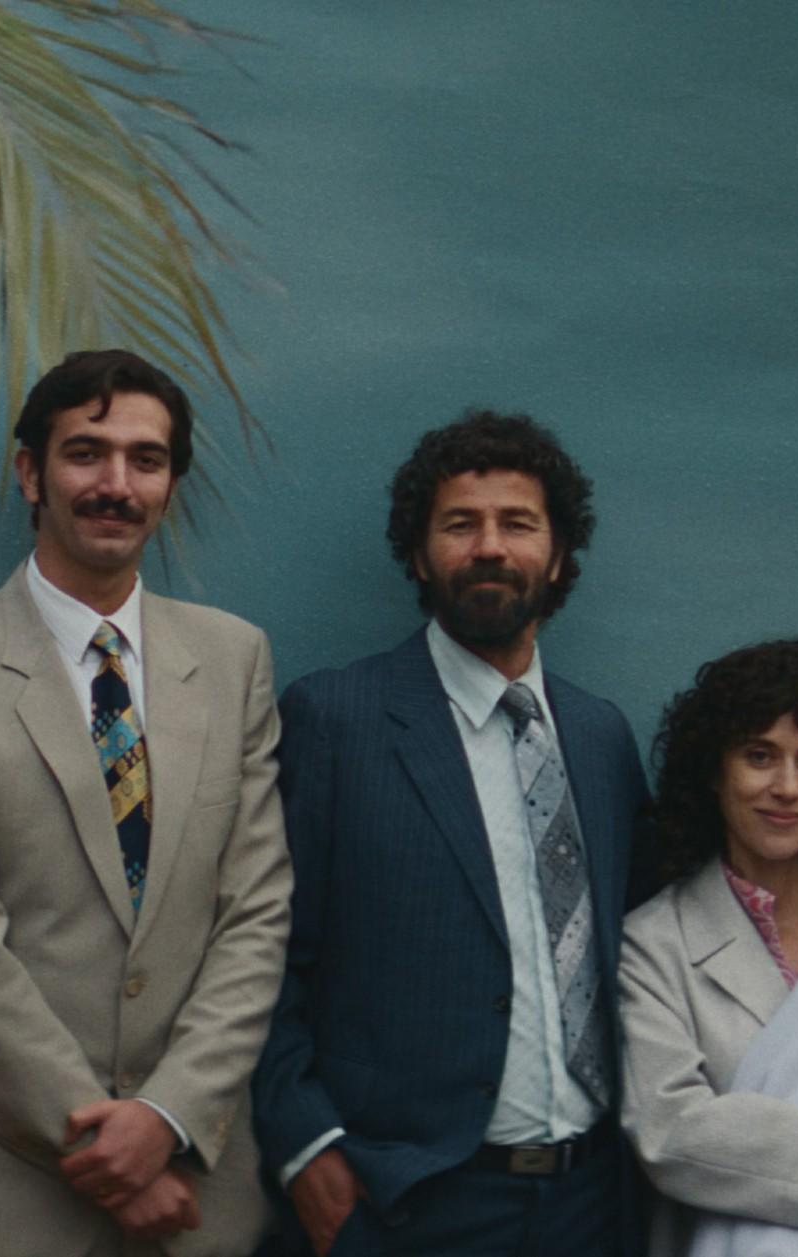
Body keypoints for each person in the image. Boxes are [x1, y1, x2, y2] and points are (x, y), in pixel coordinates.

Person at [0, 348, 292, 1255]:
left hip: (199, 1180)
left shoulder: (235, 659)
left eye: (146, 459)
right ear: (31, 472)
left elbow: (256, 915)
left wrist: (167, 1116)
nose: (116, 484)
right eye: (86, 453)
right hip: (9, 1182)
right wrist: (105, 1148)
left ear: (170, 484)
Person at [254, 411, 648, 1255]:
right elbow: (262, 953)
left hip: (592, 1201)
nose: (490, 546)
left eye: (518, 523)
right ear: (418, 554)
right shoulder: (337, 719)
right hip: (406, 1201)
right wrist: (306, 1146)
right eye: (460, 523)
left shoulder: (601, 737)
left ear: (559, 554)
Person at [618, 639, 798, 1256]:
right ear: (714, 771)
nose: (787, 787)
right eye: (759, 756)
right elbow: (668, 1126)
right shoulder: (655, 942)